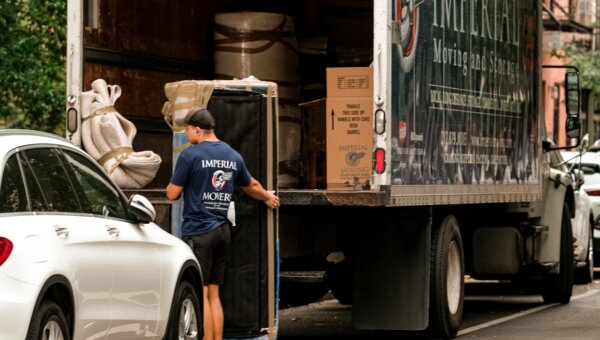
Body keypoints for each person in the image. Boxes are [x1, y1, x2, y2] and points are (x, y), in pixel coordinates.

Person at [166, 107, 279, 340]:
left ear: (198, 129)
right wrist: (268, 196)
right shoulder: (232, 155)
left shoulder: (190, 155)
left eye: (187, 130)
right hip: (223, 231)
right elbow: (252, 186)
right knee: (214, 294)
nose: (187, 134)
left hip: (199, 232)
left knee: (202, 291)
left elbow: (172, 194)